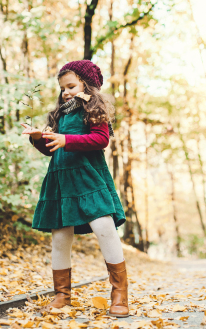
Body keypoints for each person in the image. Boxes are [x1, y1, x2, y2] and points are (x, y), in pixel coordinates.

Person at [20, 60, 129, 317]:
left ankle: (120, 294)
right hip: (60, 180)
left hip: (89, 177)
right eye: (62, 88)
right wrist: (39, 138)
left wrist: (67, 139)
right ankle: (62, 294)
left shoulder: (94, 109)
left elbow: (101, 139)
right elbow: (51, 149)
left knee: (104, 228)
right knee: (60, 238)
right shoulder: (60, 114)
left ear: (87, 85)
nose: (65, 92)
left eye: (71, 86)